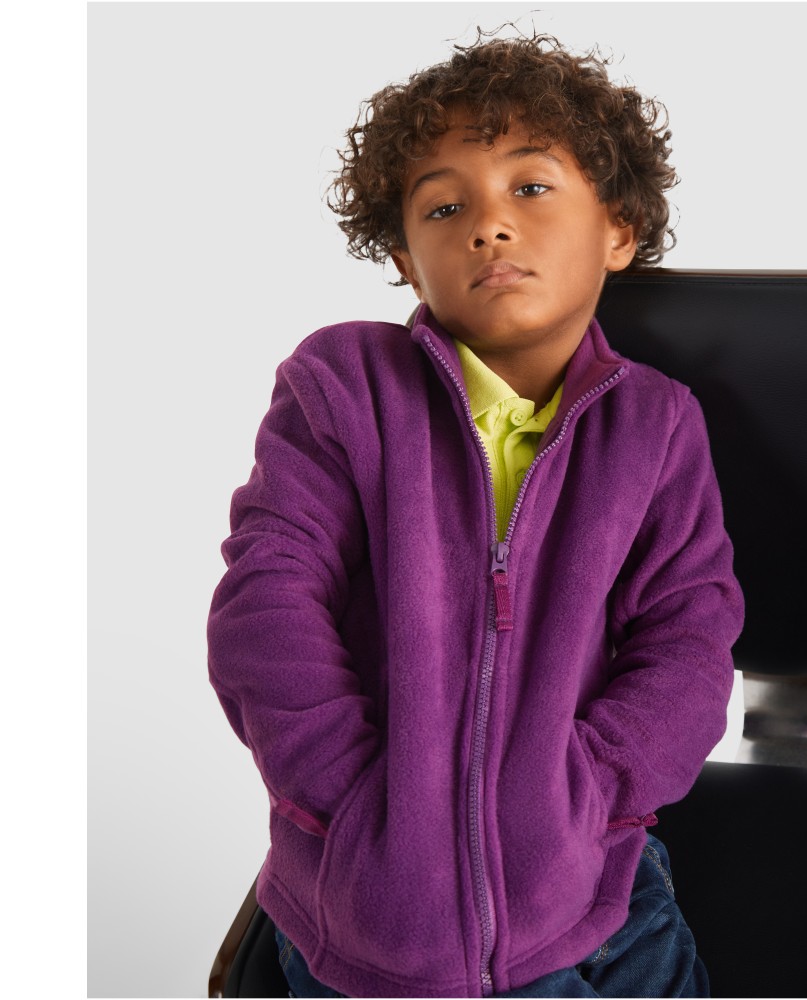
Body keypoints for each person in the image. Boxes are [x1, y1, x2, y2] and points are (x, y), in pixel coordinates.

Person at [208, 30, 743, 999]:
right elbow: (266, 599)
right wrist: (352, 798)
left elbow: (688, 634)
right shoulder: (341, 384)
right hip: (365, 911)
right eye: (444, 206)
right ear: (407, 262)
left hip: (597, 907)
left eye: (530, 187)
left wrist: (589, 790)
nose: (489, 226)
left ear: (619, 229)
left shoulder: (656, 424)